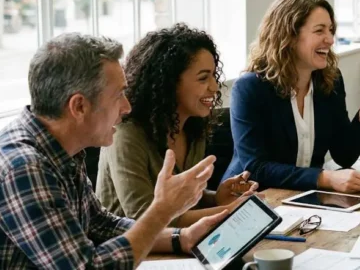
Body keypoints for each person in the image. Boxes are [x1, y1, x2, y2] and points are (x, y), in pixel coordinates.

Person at [0, 33, 232, 269]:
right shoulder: (22, 168)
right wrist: (162, 210)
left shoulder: (63, 148)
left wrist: (179, 237)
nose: (127, 107)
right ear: (79, 106)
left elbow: (99, 225)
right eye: (119, 94)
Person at [226, 0, 360, 193]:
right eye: (319, 30)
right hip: (251, 200)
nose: (330, 40)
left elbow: (344, 155)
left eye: (331, 30)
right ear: (289, 36)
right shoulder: (250, 88)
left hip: (302, 198)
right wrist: (325, 178)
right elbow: (256, 168)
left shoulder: (330, 81)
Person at [96, 23, 257, 227]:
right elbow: (142, 217)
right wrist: (230, 211)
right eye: (203, 78)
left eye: (213, 76)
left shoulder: (194, 125)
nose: (215, 87)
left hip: (180, 243)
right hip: (136, 252)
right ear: (169, 82)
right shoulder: (126, 132)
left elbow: (179, 199)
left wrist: (215, 197)